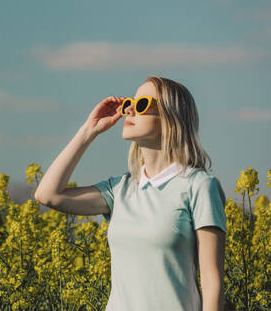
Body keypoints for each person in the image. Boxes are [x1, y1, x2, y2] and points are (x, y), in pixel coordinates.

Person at [34, 76, 226, 311]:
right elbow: (48, 195)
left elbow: (211, 281)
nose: (130, 110)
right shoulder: (120, 189)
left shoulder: (199, 186)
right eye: (129, 104)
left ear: (171, 118)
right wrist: (89, 130)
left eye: (143, 104)